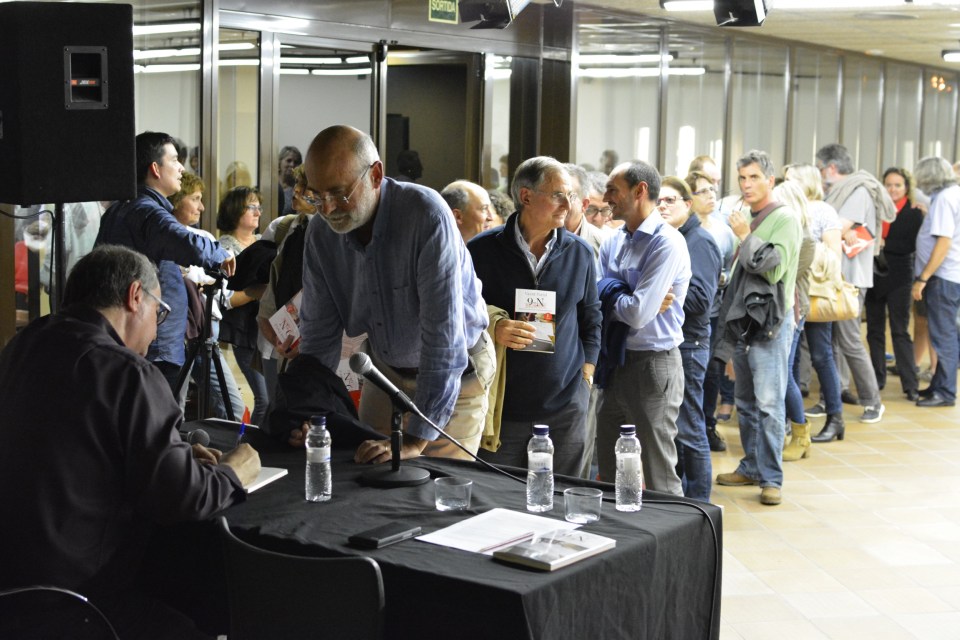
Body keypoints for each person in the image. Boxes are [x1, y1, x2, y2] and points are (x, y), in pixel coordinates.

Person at [0, 245, 260, 639]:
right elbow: (181, 498)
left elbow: (71, 441)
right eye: (159, 312)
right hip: (78, 603)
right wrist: (232, 473)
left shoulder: (22, 347)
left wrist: (169, 450)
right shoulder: (127, 371)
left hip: (12, 589)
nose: (156, 331)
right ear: (135, 296)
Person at [297, 125, 494, 462]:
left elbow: (444, 339)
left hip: (457, 374)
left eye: (339, 193)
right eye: (316, 195)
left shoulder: (426, 215)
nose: (327, 209)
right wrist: (310, 414)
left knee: (440, 484)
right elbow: (318, 337)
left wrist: (416, 441)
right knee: (366, 471)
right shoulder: (321, 233)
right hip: (385, 371)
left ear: (375, 175)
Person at [467, 157, 601, 477]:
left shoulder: (579, 252)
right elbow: (459, 314)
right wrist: (495, 327)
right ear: (526, 196)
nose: (567, 205)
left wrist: (586, 375)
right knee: (501, 499)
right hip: (503, 408)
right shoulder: (481, 251)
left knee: (561, 497)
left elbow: (591, 316)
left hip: (565, 408)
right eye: (558, 195)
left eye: (570, 196)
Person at [96, 131, 235, 397]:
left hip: (130, 337)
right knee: (156, 417)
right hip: (153, 346)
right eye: (174, 160)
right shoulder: (147, 211)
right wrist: (221, 254)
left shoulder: (118, 209)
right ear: (155, 169)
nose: (182, 168)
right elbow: (188, 244)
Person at [595, 161, 691, 496]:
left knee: (657, 472)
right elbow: (596, 298)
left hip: (653, 364)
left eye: (613, 190)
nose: (606, 198)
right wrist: (623, 296)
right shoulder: (613, 241)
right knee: (609, 467)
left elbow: (636, 314)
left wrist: (613, 295)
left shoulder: (667, 243)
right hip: (614, 360)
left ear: (640, 191)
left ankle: (675, 530)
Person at [715, 150, 801, 506]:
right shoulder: (749, 217)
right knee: (746, 401)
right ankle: (751, 466)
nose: (746, 185)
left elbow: (772, 269)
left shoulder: (784, 219)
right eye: (742, 178)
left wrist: (744, 234)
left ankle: (771, 478)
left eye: (754, 177)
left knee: (769, 404)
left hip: (770, 325)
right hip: (744, 323)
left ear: (770, 180)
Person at [816, 143, 891, 424]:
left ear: (832, 168)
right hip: (836, 277)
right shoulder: (841, 191)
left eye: (820, 169)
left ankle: (873, 401)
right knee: (833, 343)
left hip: (852, 280)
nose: (820, 174)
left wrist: (835, 230)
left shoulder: (858, 190)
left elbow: (833, 228)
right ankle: (830, 398)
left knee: (849, 341)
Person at [657, 176, 721, 502]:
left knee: (691, 428)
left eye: (670, 200)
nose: (663, 206)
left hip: (691, 345)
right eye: (658, 201)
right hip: (674, 343)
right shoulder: (671, 238)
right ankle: (684, 501)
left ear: (687, 203)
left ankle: (700, 505)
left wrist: (658, 290)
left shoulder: (699, 241)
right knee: (677, 429)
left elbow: (701, 301)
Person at [169, 173, 246, 421]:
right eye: (195, 199)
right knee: (174, 408)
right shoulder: (164, 240)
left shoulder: (205, 239)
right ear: (176, 200)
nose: (201, 207)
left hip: (208, 332)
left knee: (233, 408)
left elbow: (223, 292)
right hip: (178, 334)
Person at [783, 163, 846, 443]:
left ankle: (835, 417)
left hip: (816, 292)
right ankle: (792, 418)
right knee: (793, 358)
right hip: (795, 293)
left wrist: (807, 248)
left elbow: (834, 254)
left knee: (821, 355)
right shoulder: (788, 206)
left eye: (791, 179)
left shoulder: (822, 210)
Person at [687, 169, 737, 451]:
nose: (710, 196)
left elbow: (730, 267)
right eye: (703, 191)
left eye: (712, 190)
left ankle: (708, 424)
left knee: (712, 370)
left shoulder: (723, 230)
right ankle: (693, 427)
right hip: (690, 313)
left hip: (716, 310)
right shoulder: (682, 230)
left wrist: (721, 277)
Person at [866, 167, 924, 400]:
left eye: (897, 185)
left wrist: (882, 243)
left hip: (900, 276)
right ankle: (876, 379)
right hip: (874, 274)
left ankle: (910, 385)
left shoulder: (913, 212)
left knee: (900, 330)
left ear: (906, 187)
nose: (892, 189)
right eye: (888, 185)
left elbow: (908, 246)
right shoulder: (875, 209)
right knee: (874, 330)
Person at [216, 186, 269, 426]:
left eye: (259, 207)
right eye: (252, 207)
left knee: (273, 398)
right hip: (245, 332)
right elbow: (226, 298)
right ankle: (249, 444)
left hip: (269, 329)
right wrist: (260, 291)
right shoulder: (224, 248)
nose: (258, 212)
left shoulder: (263, 241)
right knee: (264, 400)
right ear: (236, 210)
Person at [913, 156, 960, 407]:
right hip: (948, 276)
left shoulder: (944, 198)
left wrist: (923, 277)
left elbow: (944, 242)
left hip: (942, 277)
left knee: (944, 336)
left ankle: (945, 392)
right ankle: (938, 385)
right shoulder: (951, 195)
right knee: (943, 333)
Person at [563, 163, 607, 256]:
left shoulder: (605, 244)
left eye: (570, 197)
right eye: (555, 196)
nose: (598, 219)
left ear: (584, 204)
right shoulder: (536, 236)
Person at [278, 145, 303, 215]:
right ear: (279, 162)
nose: (292, 164)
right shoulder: (270, 184)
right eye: (289, 160)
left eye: (296, 162)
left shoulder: (300, 190)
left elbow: (300, 217)